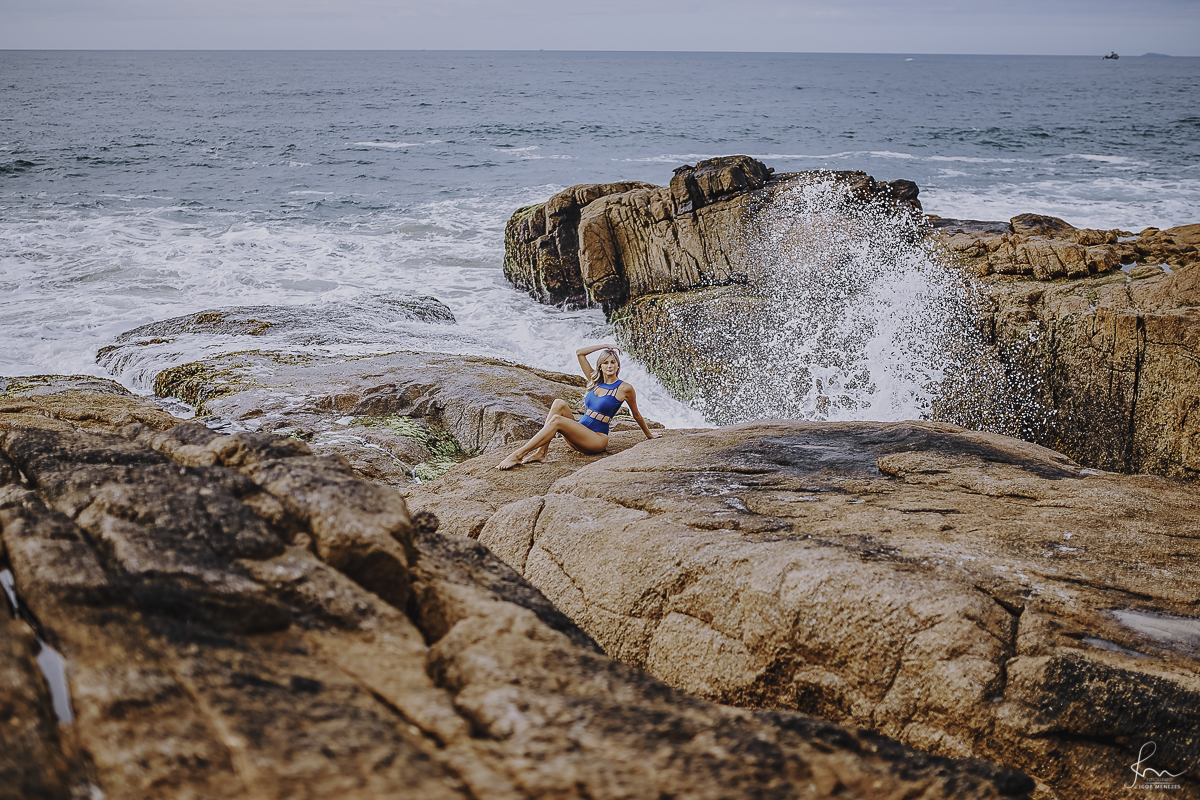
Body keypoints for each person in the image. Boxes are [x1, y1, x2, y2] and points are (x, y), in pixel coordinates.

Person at [496, 344, 660, 470]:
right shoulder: (595, 381)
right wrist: (606, 346)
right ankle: (541, 452)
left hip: (595, 440)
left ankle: (518, 455)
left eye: (613, 362)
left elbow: (636, 414)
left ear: (618, 366)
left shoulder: (624, 388)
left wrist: (649, 434)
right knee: (558, 403)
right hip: (579, 432)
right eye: (605, 363)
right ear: (600, 366)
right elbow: (580, 353)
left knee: (557, 421)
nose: (609, 366)